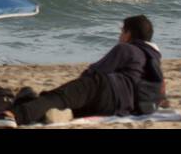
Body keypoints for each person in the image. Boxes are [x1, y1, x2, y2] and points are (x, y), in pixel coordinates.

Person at [12, 15, 163, 125]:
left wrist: (80, 84)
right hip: (119, 107)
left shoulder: (127, 49)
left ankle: (13, 116)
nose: (120, 35)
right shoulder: (153, 58)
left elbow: (97, 70)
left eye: (122, 31)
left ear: (128, 34)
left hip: (107, 91)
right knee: (66, 104)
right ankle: (49, 113)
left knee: (59, 97)